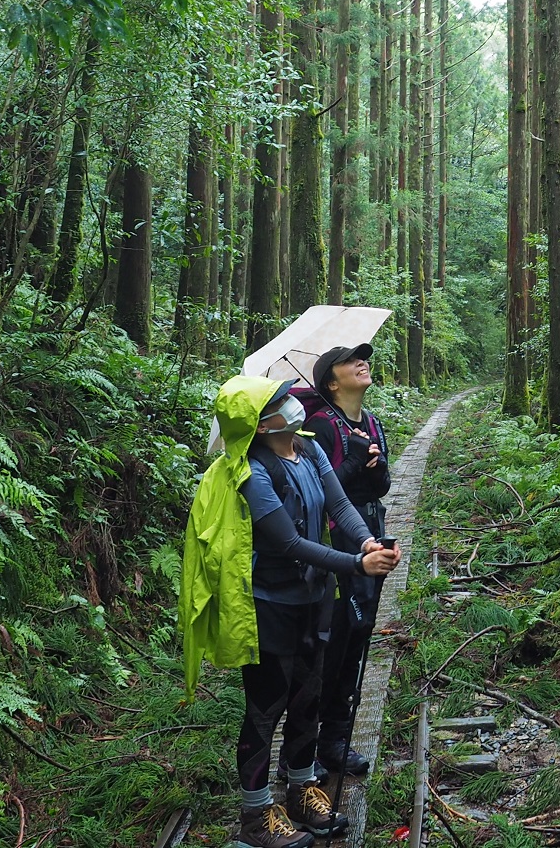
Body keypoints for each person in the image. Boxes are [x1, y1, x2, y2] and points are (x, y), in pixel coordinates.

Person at [182, 374, 400, 848]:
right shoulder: (251, 473)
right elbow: (289, 542)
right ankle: (256, 817)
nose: (293, 403)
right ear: (260, 425)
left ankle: (302, 791)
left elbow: (339, 504)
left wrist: (365, 538)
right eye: (280, 401)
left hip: (314, 600)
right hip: (268, 606)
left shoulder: (308, 449)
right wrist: (357, 563)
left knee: (308, 696)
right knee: (265, 709)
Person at [293, 342, 393, 780]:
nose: (361, 362)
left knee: (355, 639)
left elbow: (382, 487)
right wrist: (353, 462)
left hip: (369, 539)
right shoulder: (319, 426)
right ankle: (302, 750)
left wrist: (372, 467)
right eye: (350, 360)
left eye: (363, 357)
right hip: (335, 550)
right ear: (331, 381)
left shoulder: (371, 422)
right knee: (328, 646)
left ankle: (336, 740)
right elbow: (321, 493)